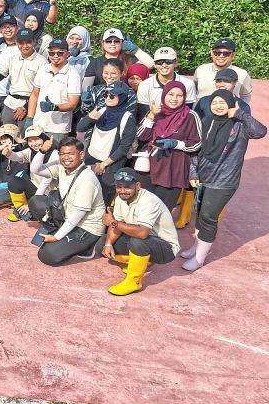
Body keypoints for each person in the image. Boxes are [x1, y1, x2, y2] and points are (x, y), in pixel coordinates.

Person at [180, 90, 266, 271]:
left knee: (209, 217)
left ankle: (199, 259)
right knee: (201, 215)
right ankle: (196, 247)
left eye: (223, 102)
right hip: (204, 177)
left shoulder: (240, 126)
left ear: (231, 104)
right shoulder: (206, 122)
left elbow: (260, 131)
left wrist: (240, 114)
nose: (218, 106)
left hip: (224, 181)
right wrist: (193, 174)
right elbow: (195, 151)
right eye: (214, 102)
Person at [101, 169, 179, 295]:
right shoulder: (121, 198)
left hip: (165, 248)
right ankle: (141, 262)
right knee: (102, 243)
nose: (122, 191)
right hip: (144, 238)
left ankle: (134, 282)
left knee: (138, 242)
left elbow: (142, 233)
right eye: (119, 187)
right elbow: (117, 226)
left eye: (127, 187)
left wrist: (113, 222)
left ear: (137, 186)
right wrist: (108, 244)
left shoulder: (149, 201)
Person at [32, 138, 106, 265]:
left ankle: (88, 247)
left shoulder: (86, 180)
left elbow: (77, 215)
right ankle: (63, 234)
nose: (66, 158)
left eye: (71, 154)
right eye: (62, 154)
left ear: (81, 155)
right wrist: (42, 151)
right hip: (67, 215)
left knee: (47, 255)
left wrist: (56, 237)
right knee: (36, 202)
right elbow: (36, 170)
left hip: (87, 227)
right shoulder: (62, 167)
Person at [136, 80, 202, 212]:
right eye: (171, 94)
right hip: (149, 167)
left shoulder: (190, 116)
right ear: (164, 95)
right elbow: (141, 136)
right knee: (143, 208)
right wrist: (151, 115)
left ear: (184, 97)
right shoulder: (156, 112)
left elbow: (197, 143)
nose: (174, 99)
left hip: (173, 169)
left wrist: (176, 144)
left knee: (162, 211)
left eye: (179, 95)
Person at [75, 73, 137, 202]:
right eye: (105, 95)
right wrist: (90, 118)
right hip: (91, 159)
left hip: (109, 168)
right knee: (84, 195)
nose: (108, 98)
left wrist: (103, 164)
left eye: (112, 95)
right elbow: (80, 128)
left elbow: (123, 148)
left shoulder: (128, 118)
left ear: (122, 97)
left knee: (102, 200)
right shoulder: (101, 110)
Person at [28, 39, 81, 143]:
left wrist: (55, 107)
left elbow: (72, 104)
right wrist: (30, 118)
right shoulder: (43, 69)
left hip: (58, 128)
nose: (55, 56)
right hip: (38, 125)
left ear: (67, 54)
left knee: (54, 158)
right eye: (52, 52)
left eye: (60, 53)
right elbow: (34, 95)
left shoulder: (73, 74)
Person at [135, 46, 198, 113]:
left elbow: (189, 112)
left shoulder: (188, 84)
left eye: (168, 61)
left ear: (176, 63)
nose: (164, 65)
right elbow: (142, 115)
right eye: (159, 62)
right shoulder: (144, 85)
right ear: (155, 64)